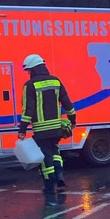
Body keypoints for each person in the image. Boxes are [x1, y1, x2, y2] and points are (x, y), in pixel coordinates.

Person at [18, 54, 76, 204]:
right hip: (57, 128)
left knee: (45, 158)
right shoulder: (56, 81)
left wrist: (22, 129)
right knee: (55, 151)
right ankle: (60, 176)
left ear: (34, 69)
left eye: (29, 70)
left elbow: (28, 110)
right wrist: (72, 120)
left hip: (41, 129)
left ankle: (50, 187)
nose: (29, 73)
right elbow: (67, 103)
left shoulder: (30, 85)